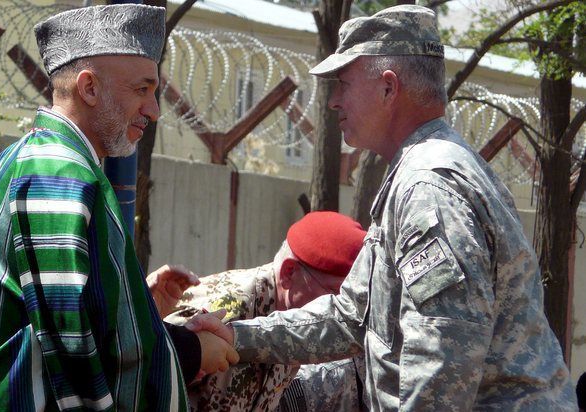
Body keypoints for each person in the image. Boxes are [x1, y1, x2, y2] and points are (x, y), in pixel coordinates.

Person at [188, 5, 578, 411]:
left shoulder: (429, 187)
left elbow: (443, 360)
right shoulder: (425, 172)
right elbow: (351, 316)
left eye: (343, 83)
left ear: (388, 88)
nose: (334, 101)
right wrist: (239, 337)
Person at [0, 5, 237, 411]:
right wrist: (191, 350)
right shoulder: (58, 175)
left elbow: (54, 312)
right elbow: (71, 341)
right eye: (141, 90)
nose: (154, 110)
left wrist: (132, 300)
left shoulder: (26, 159)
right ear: (89, 88)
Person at [160, 211, 367, 412]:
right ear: (289, 272)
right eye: (335, 294)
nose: (337, 308)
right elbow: (149, 373)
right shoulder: (225, 311)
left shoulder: (297, 324)